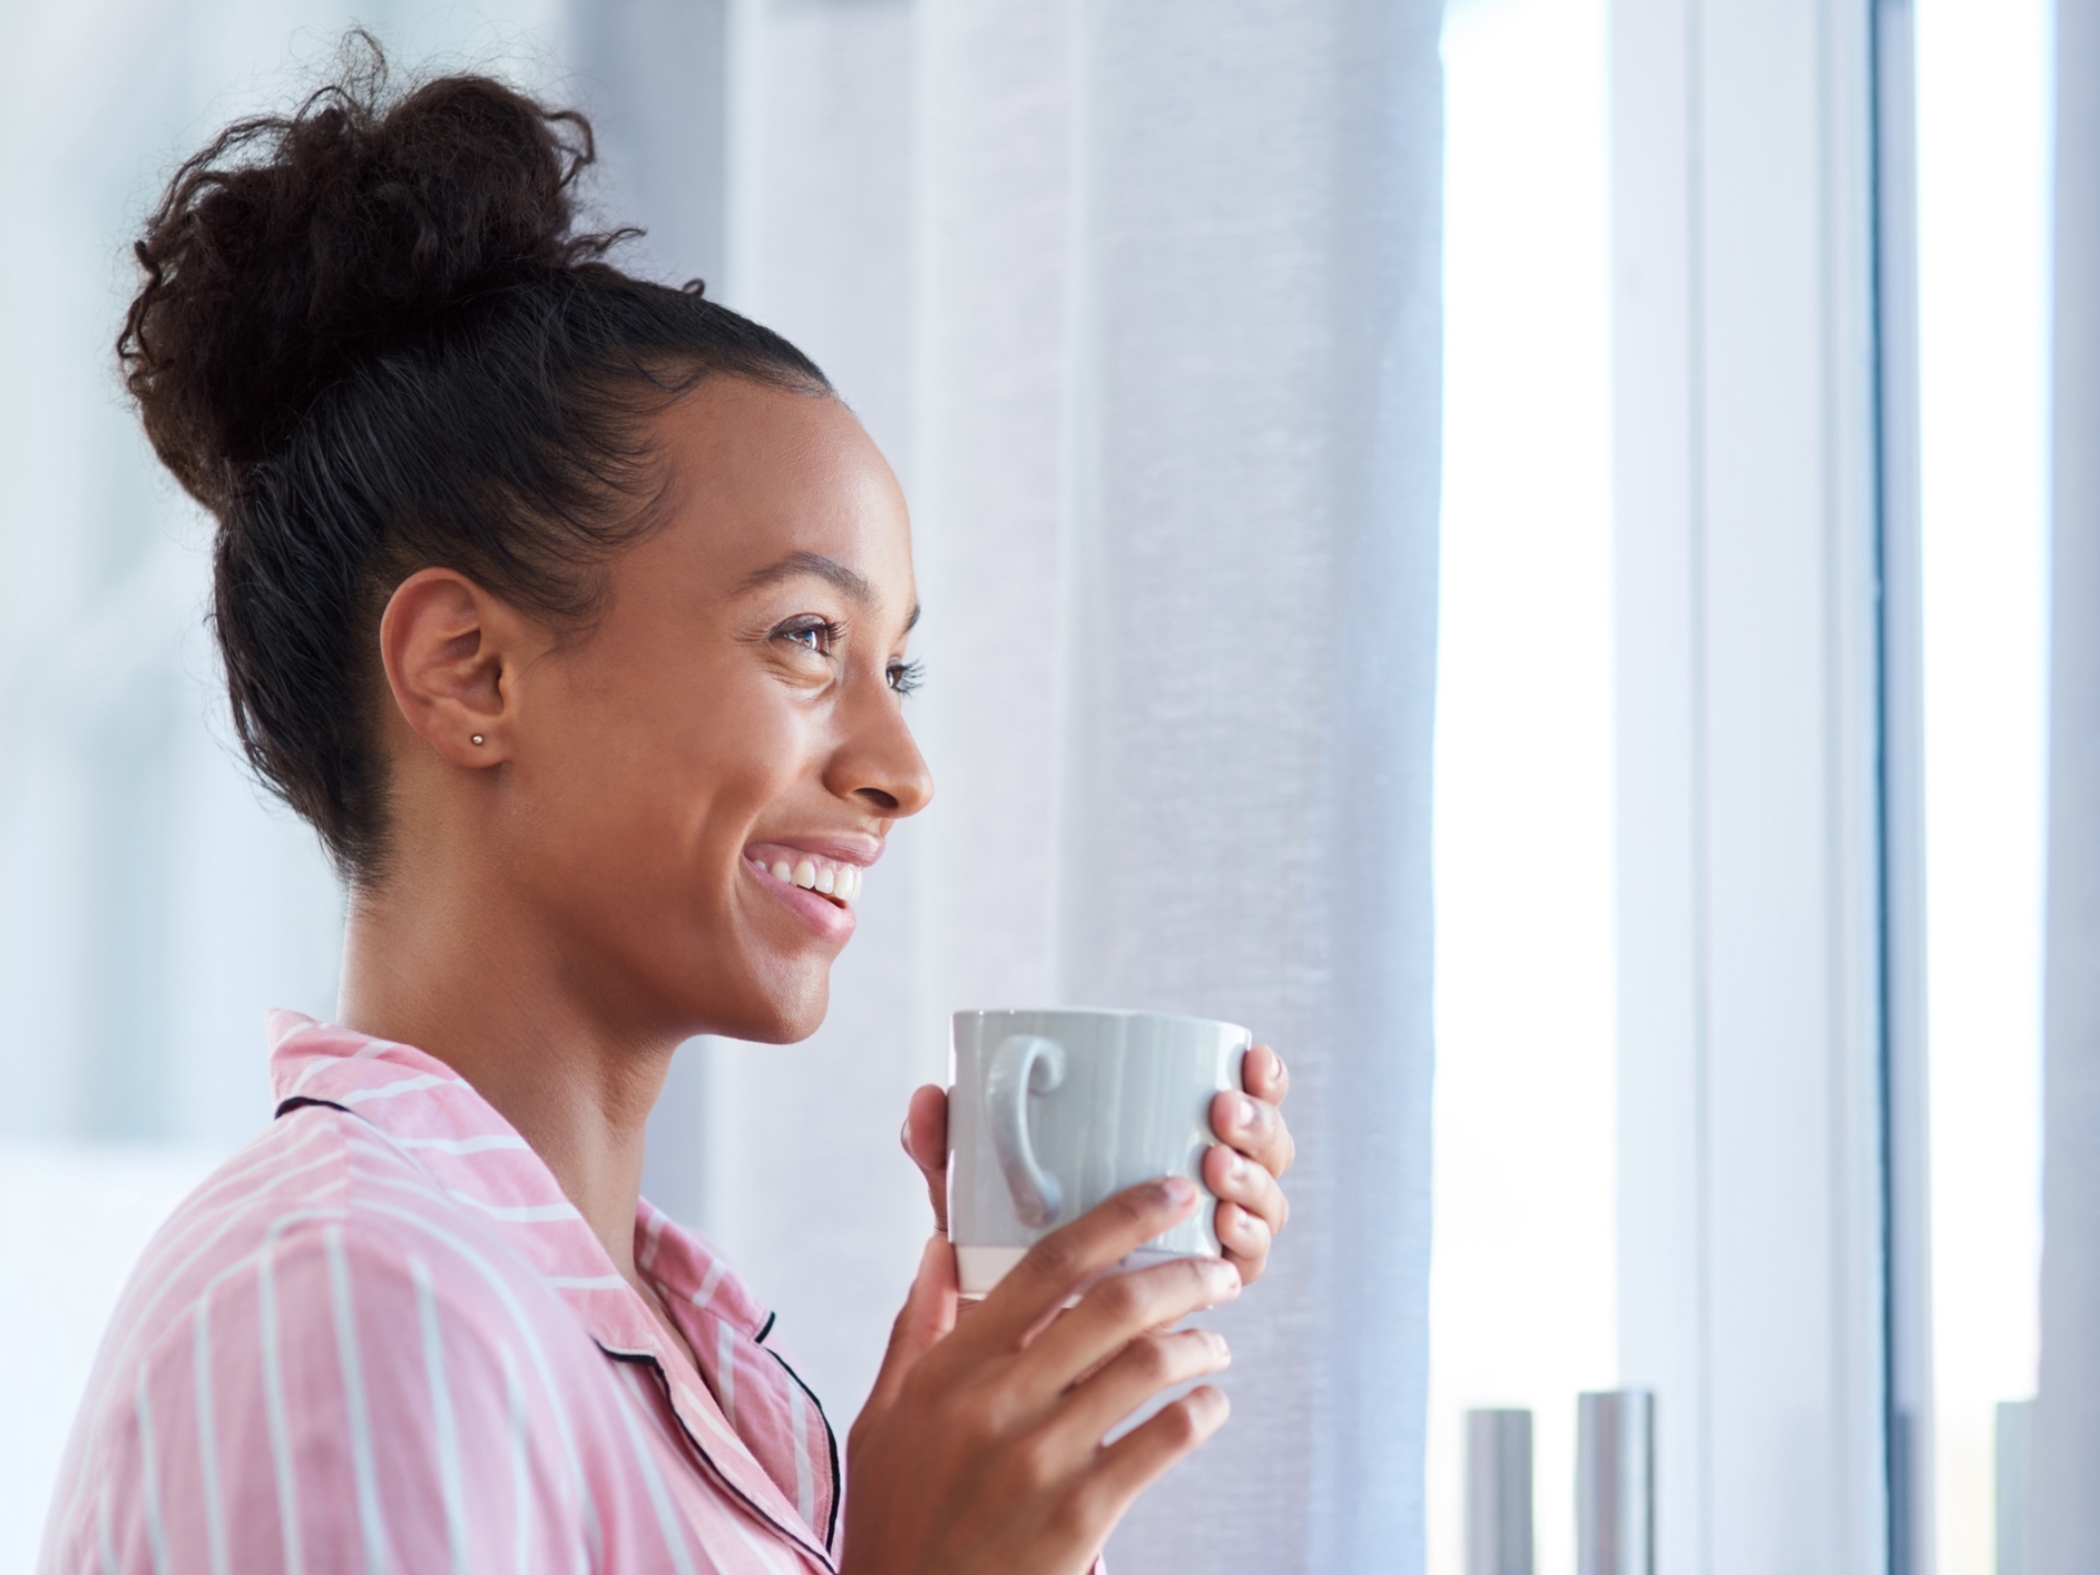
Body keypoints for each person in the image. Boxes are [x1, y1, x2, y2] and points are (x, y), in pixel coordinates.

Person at [37, 47, 1296, 1575]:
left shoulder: (701, 1376)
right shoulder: (349, 1296)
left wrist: (1008, 1458)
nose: (902, 767)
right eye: (807, 639)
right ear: (467, 668)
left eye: (897, 663)